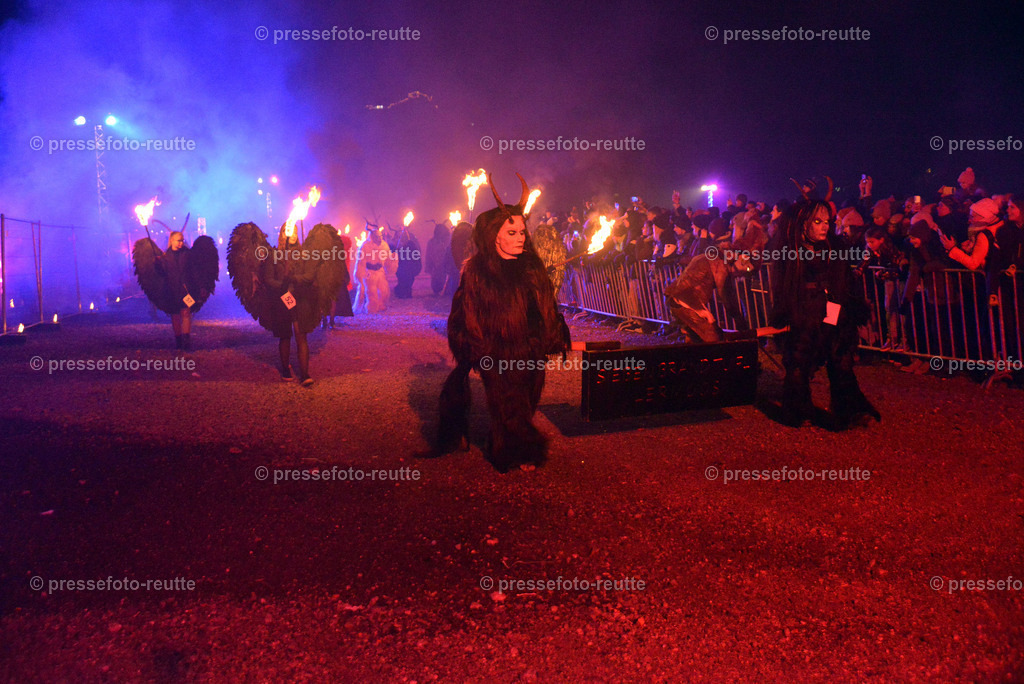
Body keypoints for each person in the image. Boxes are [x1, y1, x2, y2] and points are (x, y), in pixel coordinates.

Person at [437, 173, 570, 472]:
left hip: (530, 350)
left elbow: (546, 307)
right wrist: (477, 348)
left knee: (526, 400)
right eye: (511, 232)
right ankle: (511, 451)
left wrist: (548, 336)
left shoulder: (532, 267)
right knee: (506, 403)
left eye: (522, 231)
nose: (520, 237)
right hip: (495, 352)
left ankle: (511, 443)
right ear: (493, 235)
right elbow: (464, 313)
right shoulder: (477, 272)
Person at [770, 190, 880, 429]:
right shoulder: (791, 250)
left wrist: (846, 302)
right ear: (804, 224)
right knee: (799, 362)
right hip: (806, 310)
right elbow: (784, 286)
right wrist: (787, 312)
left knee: (841, 359)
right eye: (817, 221)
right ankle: (797, 409)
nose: (824, 227)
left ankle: (849, 410)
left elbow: (843, 280)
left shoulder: (833, 246)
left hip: (832, 307)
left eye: (827, 221)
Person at [227, 222, 348, 387]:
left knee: (301, 334)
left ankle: (304, 373)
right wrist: (283, 286)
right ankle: (285, 369)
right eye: (288, 230)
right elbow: (269, 279)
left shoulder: (305, 254)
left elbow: (310, 275)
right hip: (283, 298)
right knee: (285, 335)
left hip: (301, 297)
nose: (293, 233)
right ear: (283, 234)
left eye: (295, 230)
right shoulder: (274, 255)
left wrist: (295, 280)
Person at [132, 229, 219, 350]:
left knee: (186, 313)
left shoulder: (189, 255)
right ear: (172, 240)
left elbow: (195, 272)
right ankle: (178, 341)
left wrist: (202, 287)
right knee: (175, 315)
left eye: (182, 240)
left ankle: (186, 342)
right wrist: (157, 264)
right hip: (171, 290)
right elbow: (162, 274)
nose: (181, 243)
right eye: (178, 240)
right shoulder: (165, 257)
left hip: (187, 289)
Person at [425, 223, 451, 295]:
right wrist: (429, 264)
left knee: (441, 277)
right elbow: (429, 253)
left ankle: (441, 289)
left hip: (443, 263)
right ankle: (437, 290)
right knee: (436, 277)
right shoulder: (432, 242)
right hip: (435, 264)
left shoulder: (447, 240)